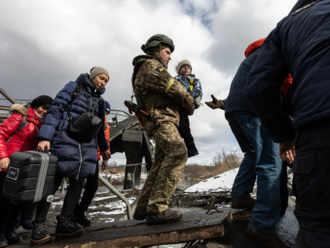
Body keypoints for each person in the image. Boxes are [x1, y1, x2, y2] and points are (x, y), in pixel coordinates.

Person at [245, 1, 330, 247]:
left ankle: (262, 217)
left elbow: (259, 87)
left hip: (319, 125)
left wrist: (286, 135)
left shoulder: (286, 26)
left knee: (320, 225)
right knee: (269, 163)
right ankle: (264, 221)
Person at [205, 39, 292, 248]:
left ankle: (240, 197)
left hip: (234, 111)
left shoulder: (255, 56)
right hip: (254, 109)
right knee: (272, 163)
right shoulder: (279, 51)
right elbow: (286, 85)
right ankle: (262, 226)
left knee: (253, 154)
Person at [31, 67, 110, 245]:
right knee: (54, 182)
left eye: (106, 80)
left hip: (86, 146)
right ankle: (39, 226)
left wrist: (104, 149)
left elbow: (99, 127)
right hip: (65, 140)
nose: (103, 82)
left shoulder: (99, 100)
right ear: (93, 76)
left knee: (78, 181)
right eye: (100, 77)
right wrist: (45, 137)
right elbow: (56, 109)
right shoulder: (73, 87)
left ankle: (65, 222)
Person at [132, 34, 195, 225]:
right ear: (155, 50)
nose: (169, 57)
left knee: (159, 164)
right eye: (167, 52)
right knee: (178, 153)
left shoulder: (149, 66)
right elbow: (174, 87)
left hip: (162, 120)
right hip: (161, 119)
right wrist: (190, 102)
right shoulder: (150, 65)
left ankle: (143, 208)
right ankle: (157, 208)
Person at [0, 95, 53, 247]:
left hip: (27, 167)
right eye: (43, 107)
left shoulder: (44, 124)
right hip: (10, 164)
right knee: (5, 201)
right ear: (35, 106)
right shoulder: (21, 117)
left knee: (20, 200)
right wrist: (2, 157)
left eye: (48, 110)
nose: (44, 112)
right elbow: (1, 133)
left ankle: (11, 231)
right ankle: (0, 233)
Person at [73, 101, 111, 227]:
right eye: (104, 112)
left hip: (95, 158)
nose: (105, 114)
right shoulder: (88, 118)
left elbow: (105, 140)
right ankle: (70, 213)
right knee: (76, 185)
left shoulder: (105, 125)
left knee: (93, 185)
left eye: (106, 113)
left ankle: (80, 211)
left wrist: (105, 158)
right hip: (81, 156)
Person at [174, 60, 202, 158]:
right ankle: (178, 148)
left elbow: (197, 89)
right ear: (179, 70)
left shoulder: (194, 79)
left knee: (185, 127)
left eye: (188, 67)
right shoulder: (175, 79)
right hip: (176, 104)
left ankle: (192, 149)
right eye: (183, 67)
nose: (186, 69)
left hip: (186, 104)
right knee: (176, 127)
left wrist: (189, 98)